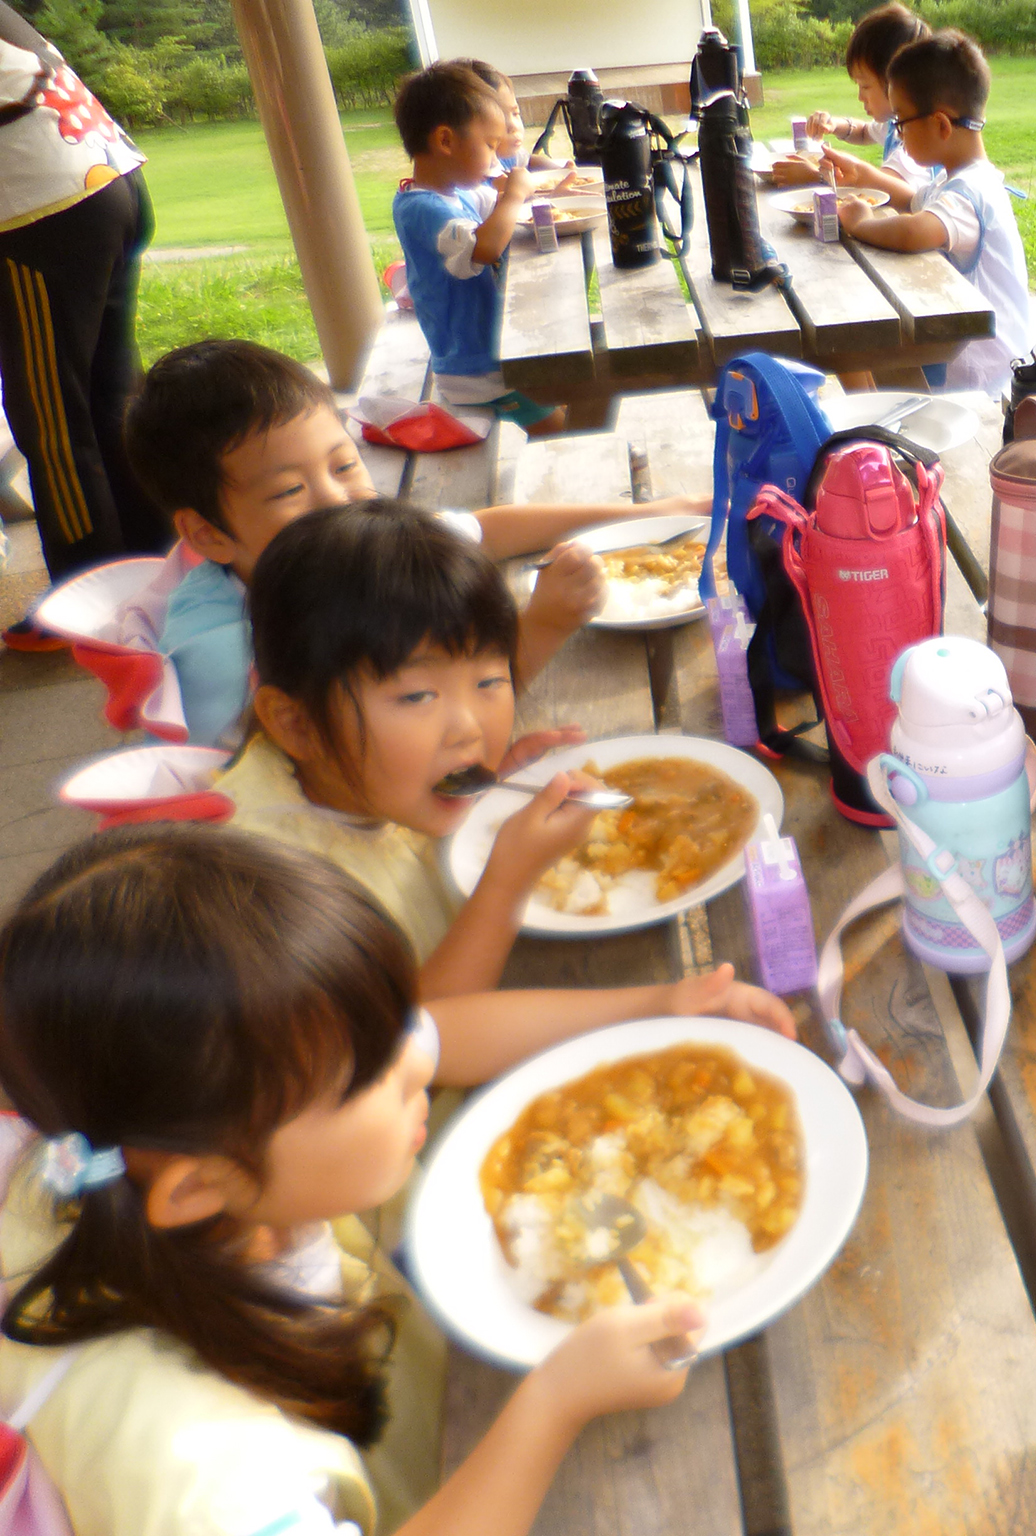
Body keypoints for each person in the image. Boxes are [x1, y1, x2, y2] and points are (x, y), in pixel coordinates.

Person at [0, 822, 734, 1535]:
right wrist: (555, 1404)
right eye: (370, 1074)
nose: (416, 1062)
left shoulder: (141, 1155)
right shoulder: (200, 1471)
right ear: (196, 1188)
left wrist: (658, 1006)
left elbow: (442, 1034)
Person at [214, 501, 750, 1004]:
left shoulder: (366, 777)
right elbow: (416, 1041)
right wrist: (506, 883)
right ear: (297, 724)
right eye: (417, 697)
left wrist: (492, 787)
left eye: (489, 681)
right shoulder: (263, 894)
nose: (469, 730)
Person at [125, 338, 701, 748]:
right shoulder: (230, 657)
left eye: (344, 465)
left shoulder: (346, 546)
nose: (338, 500)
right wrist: (545, 626)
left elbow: (484, 530)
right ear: (208, 533)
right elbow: (404, 754)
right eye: (290, 491)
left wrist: (648, 513)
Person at [0, 1, 169, 647]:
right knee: (108, 396)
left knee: (53, 421)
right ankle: (157, 564)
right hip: (104, 177)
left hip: (43, 213)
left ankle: (88, 597)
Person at [836, 31, 1028, 397]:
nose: (897, 133)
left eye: (901, 122)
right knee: (859, 340)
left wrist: (861, 223)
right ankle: (886, 417)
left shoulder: (970, 194)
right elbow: (912, 199)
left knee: (850, 340)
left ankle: (886, 421)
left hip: (981, 373)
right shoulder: (956, 181)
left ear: (941, 125)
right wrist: (860, 174)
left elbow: (915, 231)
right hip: (960, 348)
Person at [391, 63, 566, 435]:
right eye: (488, 145)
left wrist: (541, 193)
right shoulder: (423, 209)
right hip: (477, 370)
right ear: (445, 141)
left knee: (569, 388)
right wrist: (515, 194)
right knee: (560, 429)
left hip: (492, 354)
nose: (495, 158)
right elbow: (483, 249)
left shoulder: (455, 194)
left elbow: (497, 204)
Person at [770, 3, 934, 206]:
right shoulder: (896, 124)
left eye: (865, 86)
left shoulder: (917, 142)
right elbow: (864, 132)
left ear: (898, 84)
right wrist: (834, 124)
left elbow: (896, 194)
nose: (860, 96)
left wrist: (817, 176)